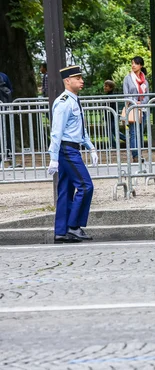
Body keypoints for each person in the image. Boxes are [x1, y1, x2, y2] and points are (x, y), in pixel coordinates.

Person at [47, 66, 98, 243]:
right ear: (67, 81)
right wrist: (53, 157)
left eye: (81, 77)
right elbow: (56, 131)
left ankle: (61, 231)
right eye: (77, 78)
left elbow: (79, 129)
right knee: (85, 186)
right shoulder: (64, 102)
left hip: (72, 147)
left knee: (65, 191)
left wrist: (90, 146)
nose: (81, 81)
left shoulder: (74, 100)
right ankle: (74, 226)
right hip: (66, 150)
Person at [122, 56, 149, 162]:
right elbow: (126, 94)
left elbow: (147, 95)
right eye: (132, 63)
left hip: (142, 109)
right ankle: (135, 155)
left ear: (140, 65)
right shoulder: (127, 78)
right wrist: (134, 102)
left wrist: (142, 103)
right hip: (133, 108)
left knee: (141, 132)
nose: (133, 65)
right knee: (133, 132)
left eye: (136, 63)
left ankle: (140, 152)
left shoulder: (145, 80)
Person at [103, 80, 127, 149]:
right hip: (109, 117)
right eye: (105, 86)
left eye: (106, 86)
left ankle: (122, 141)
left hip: (112, 117)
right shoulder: (108, 96)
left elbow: (111, 107)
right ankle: (118, 142)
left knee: (112, 131)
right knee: (112, 131)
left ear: (110, 88)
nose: (104, 87)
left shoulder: (111, 96)